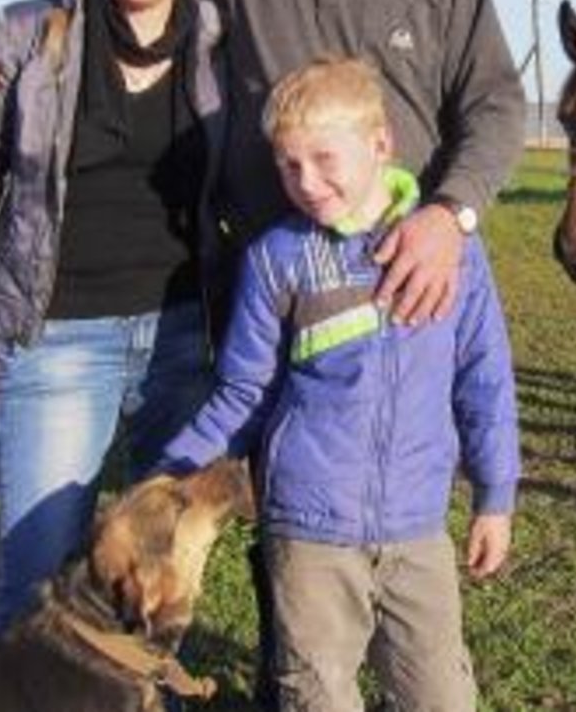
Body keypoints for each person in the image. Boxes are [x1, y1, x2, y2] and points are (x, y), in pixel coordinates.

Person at [0, 0, 527, 697]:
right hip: (279, 294)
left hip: (413, 284)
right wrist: (1, 57)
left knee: (373, 550)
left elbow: (498, 108)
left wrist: (450, 217)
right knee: (284, 517)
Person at [158, 58, 520, 711]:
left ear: (380, 143)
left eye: (324, 159)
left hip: (417, 528)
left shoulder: (454, 252)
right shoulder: (277, 259)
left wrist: (496, 496)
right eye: (288, 166)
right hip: (308, 534)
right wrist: (172, 474)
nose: (306, 182)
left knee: (440, 697)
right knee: (316, 693)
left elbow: (484, 379)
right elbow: (245, 390)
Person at [0, 0, 228, 633]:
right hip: (57, 339)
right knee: (37, 577)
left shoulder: (222, 45)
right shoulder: (31, 35)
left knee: (163, 581)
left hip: (183, 341)